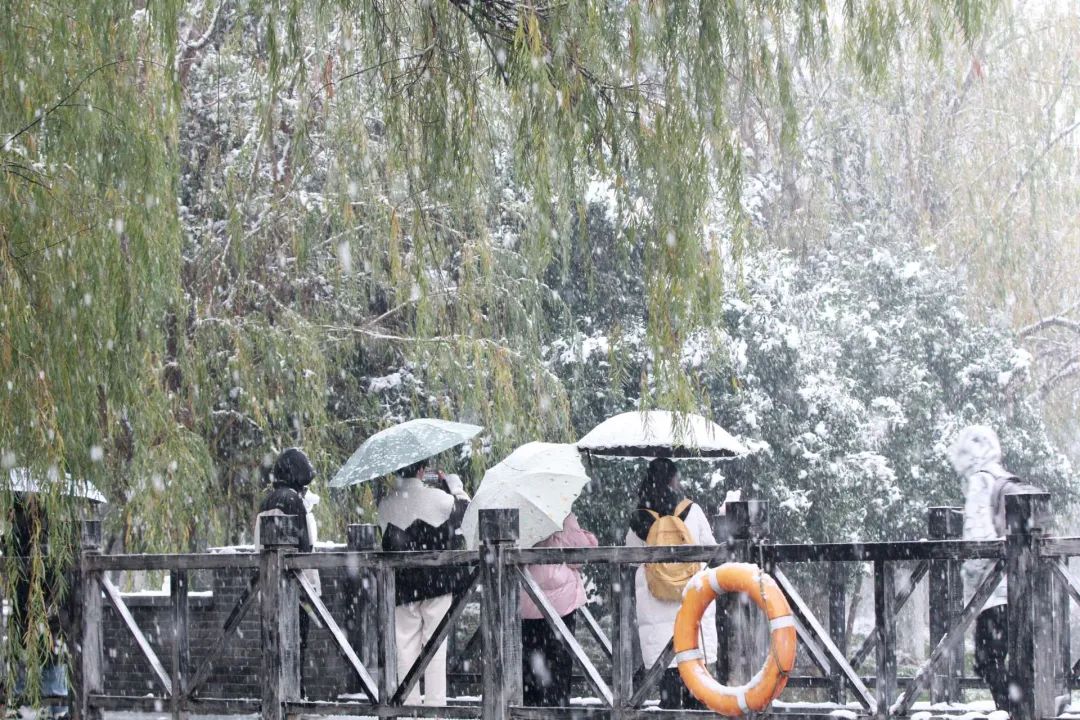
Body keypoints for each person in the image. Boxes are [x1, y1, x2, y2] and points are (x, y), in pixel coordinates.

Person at [624, 458, 717, 709]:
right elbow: (710, 550)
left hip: (656, 603)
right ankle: (696, 712)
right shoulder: (692, 511)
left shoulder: (640, 518)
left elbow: (629, 556)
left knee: (668, 680)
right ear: (673, 479)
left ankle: (671, 710)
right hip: (691, 603)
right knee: (697, 678)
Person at [378, 460, 470, 707]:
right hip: (437, 583)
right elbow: (467, 511)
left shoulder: (385, 505)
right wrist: (452, 484)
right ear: (421, 470)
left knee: (404, 647)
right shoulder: (440, 499)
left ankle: (408, 706)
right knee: (435, 647)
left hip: (401, 585)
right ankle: (434, 706)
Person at [949, 425, 1019, 712]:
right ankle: (1024, 706)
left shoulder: (980, 481)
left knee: (986, 660)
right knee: (1016, 656)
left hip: (994, 591)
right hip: (1019, 585)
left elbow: (979, 540)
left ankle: (1014, 711)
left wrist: (971, 578)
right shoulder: (1004, 477)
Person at [255, 447, 316, 697]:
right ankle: (294, 696)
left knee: (273, 646)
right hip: (293, 587)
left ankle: (273, 696)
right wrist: (310, 589)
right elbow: (304, 547)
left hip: (270, 586)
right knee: (296, 645)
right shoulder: (293, 501)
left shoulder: (267, 501)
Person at [519, 513, 598, 707]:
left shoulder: (522, 515)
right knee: (558, 668)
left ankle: (530, 710)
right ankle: (557, 710)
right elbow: (584, 550)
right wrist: (585, 534)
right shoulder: (560, 514)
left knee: (530, 670)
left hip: (527, 602)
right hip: (560, 607)